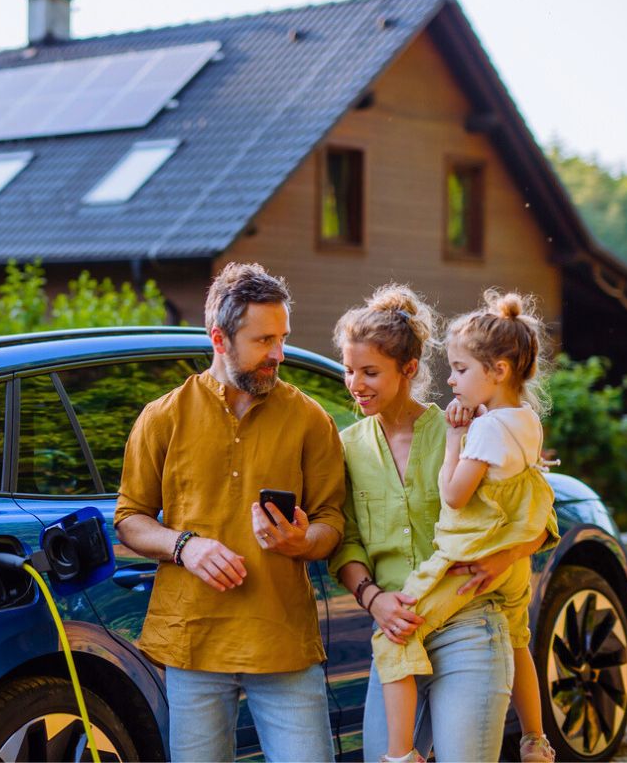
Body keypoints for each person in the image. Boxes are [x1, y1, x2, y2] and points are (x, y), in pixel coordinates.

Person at [115, 262, 346, 763]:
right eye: (264, 341)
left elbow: (332, 522)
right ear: (220, 339)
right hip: (193, 642)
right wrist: (185, 546)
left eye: (282, 338)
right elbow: (130, 518)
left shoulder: (311, 420)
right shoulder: (163, 417)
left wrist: (303, 542)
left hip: (282, 641)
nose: (279, 354)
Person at [330, 284, 559, 763]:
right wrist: (375, 600)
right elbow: (346, 542)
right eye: (350, 371)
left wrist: (502, 558)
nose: (356, 384)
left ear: (409, 370)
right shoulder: (347, 447)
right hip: (397, 627)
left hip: (471, 623)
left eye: (370, 372)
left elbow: (534, 517)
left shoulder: (469, 425)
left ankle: (535, 738)